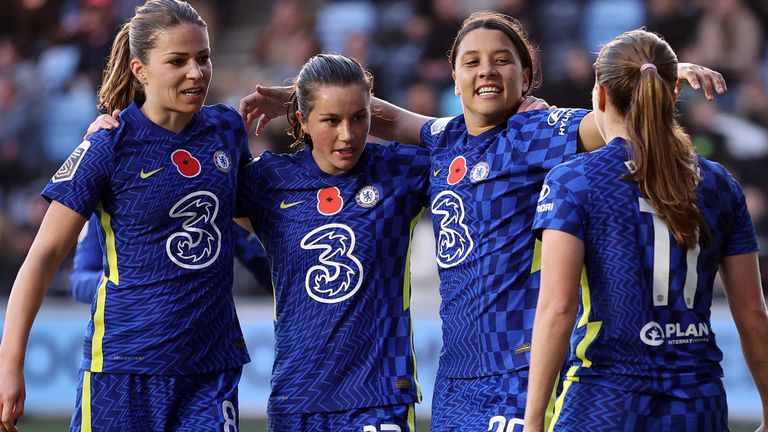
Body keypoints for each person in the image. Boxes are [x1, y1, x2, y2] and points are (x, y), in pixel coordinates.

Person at [239, 11, 727, 431]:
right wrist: (301, 97)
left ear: (526, 75)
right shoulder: (443, 140)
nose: (487, 70)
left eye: (502, 60)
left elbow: (609, 123)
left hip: (520, 366)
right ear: (452, 76)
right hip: (455, 377)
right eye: (472, 61)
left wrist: (647, 80)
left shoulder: (537, 131)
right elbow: (381, 116)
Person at [0, 1, 252, 431]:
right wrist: (9, 366)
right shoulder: (108, 146)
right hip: (124, 369)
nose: (197, 72)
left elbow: (254, 220)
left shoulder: (226, 128)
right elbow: (43, 257)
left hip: (211, 368)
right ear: (140, 70)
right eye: (178, 61)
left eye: (203, 58)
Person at [524, 29, 768, 432]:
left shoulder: (574, 180)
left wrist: (533, 422)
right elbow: (753, 313)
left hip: (605, 402)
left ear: (600, 95)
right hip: (698, 406)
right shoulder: (720, 183)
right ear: (673, 96)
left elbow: (557, 309)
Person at [69, 216, 272, 303]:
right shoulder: (109, 198)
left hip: (205, 349)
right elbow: (79, 282)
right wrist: (133, 283)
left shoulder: (208, 202)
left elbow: (268, 269)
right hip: (131, 346)